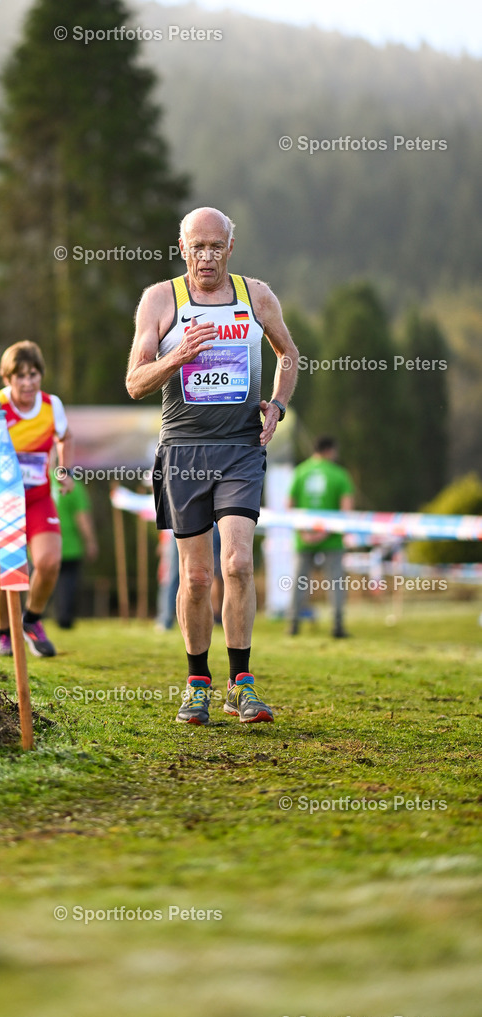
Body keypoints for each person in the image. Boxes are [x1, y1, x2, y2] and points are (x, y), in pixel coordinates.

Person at [126, 207, 299, 726]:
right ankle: (197, 683)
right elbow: (134, 382)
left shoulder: (256, 296)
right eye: (196, 246)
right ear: (181, 248)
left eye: (215, 246)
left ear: (230, 247)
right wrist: (176, 358)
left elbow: (289, 354)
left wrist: (278, 403)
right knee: (197, 576)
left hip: (241, 447)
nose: (206, 256)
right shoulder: (162, 300)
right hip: (183, 449)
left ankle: (242, 685)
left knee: (238, 564)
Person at [0, 341, 73, 657]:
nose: (27, 382)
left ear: (40, 375)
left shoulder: (52, 406)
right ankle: (4, 634)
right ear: (7, 379)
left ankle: (32, 621)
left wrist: (63, 470)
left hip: (35, 496)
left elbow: (65, 438)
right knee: (7, 571)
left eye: (33, 374)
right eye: (19, 376)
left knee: (49, 561)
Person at [288, 436, 355, 638]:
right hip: (331, 538)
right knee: (336, 582)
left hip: (304, 536)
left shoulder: (300, 472)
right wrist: (325, 532)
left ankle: (293, 625)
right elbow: (346, 510)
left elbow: (289, 506)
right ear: (330, 450)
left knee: (300, 582)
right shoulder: (339, 474)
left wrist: (304, 532)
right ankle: (337, 626)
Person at [50, 469, 98, 629]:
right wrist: (90, 541)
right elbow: (82, 517)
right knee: (67, 584)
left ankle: (36, 616)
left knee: (46, 580)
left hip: (43, 545)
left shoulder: (42, 481)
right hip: (69, 545)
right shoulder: (74, 486)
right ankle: (64, 618)